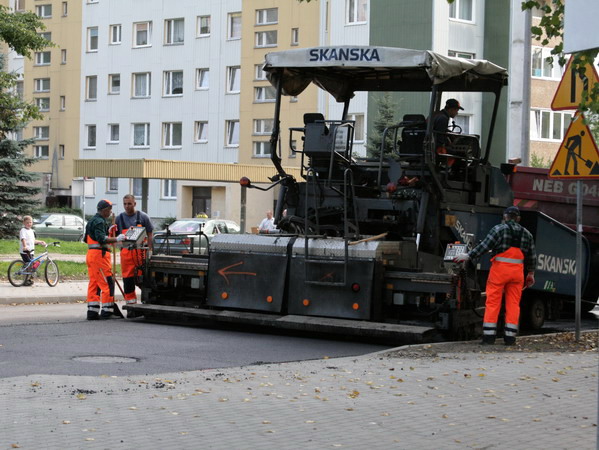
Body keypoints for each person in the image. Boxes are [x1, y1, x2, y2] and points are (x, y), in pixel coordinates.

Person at [454, 206, 536, 346]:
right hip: (517, 274)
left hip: (500, 272)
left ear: (505, 217)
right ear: (518, 219)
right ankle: (510, 338)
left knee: (493, 302)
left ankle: (489, 337)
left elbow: (485, 246)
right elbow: (532, 256)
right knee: (513, 304)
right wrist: (531, 274)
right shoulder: (527, 234)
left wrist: (468, 256)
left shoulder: (499, 229)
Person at [85, 199, 127, 320]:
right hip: (100, 256)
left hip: (92, 255)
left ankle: (92, 312)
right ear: (104, 210)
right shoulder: (99, 221)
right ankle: (107, 311)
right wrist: (116, 238)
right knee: (107, 283)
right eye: (109, 210)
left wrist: (108, 231)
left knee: (94, 284)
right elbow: (100, 238)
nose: (110, 212)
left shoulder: (92, 220)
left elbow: (88, 238)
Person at [114, 194, 154, 318]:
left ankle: (147, 306)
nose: (127, 206)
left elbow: (150, 234)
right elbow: (114, 237)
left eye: (129, 204)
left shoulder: (143, 217)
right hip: (126, 255)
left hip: (141, 255)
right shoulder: (119, 218)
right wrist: (117, 244)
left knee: (144, 281)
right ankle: (131, 308)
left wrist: (150, 250)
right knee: (128, 281)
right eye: (125, 204)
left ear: (134, 204)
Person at [431, 98, 464, 167]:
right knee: (460, 154)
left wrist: (451, 134)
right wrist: (449, 145)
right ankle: (447, 171)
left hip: (430, 147)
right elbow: (440, 137)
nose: (457, 113)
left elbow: (439, 129)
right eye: (456, 110)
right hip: (436, 149)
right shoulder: (443, 118)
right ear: (451, 109)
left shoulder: (436, 114)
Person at [19, 215, 46, 286]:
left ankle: (29, 279)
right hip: (25, 251)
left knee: (33, 265)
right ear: (24, 223)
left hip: (31, 251)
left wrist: (40, 242)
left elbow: (33, 241)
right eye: (27, 222)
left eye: (30, 222)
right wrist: (25, 246)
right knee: (29, 265)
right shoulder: (23, 230)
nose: (29, 224)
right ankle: (25, 280)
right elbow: (23, 239)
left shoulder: (31, 231)